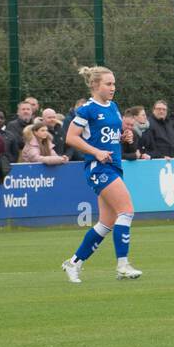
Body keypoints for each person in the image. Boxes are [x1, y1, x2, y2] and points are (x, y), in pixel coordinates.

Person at [62, 67, 142, 282]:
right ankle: (123, 266)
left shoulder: (113, 107)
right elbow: (71, 137)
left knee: (106, 223)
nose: (113, 88)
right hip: (99, 169)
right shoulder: (87, 109)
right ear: (95, 85)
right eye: (108, 84)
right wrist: (96, 152)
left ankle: (74, 263)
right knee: (126, 211)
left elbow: (107, 135)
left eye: (114, 83)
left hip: (114, 166)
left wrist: (122, 137)